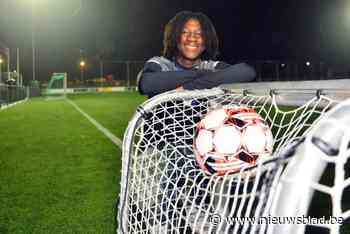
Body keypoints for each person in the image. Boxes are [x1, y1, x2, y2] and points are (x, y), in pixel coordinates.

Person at [138, 11, 256, 98]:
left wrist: (187, 88)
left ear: (206, 40)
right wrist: (207, 77)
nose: (192, 38)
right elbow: (146, 83)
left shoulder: (210, 66)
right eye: (184, 32)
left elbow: (247, 72)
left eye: (199, 34)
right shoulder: (161, 64)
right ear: (175, 37)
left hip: (203, 130)